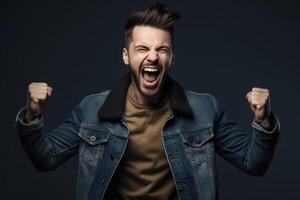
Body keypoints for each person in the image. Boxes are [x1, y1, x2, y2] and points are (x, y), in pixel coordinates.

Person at [15, 4, 280, 200]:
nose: (152, 57)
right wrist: (31, 116)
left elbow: (252, 163)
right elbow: (46, 159)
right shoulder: (92, 109)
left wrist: (263, 121)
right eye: (142, 48)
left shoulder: (205, 109)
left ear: (172, 57)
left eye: (161, 49)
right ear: (126, 56)